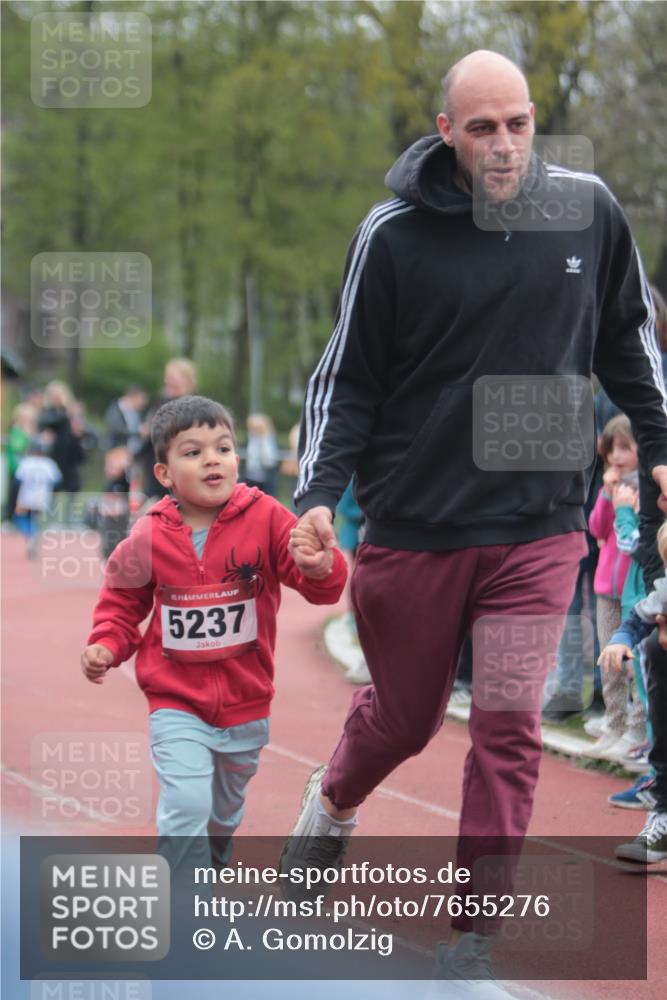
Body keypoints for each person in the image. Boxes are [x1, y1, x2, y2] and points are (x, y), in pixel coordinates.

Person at [280, 49, 667, 994]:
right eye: (482, 128)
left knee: (507, 725)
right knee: (405, 720)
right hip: (414, 526)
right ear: (445, 131)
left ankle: (474, 937)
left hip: (536, 527)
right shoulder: (393, 234)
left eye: (519, 124)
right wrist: (318, 498)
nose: (504, 146)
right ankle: (331, 803)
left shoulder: (588, 212)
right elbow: (347, 382)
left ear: (535, 122)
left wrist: (659, 460)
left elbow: (629, 344)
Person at [81, 395, 346, 873]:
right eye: (193, 452)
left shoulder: (266, 517)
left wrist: (321, 565)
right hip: (175, 700)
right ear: (164, 474)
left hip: (247, 702)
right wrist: (106, 643)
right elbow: (122, 602)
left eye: (223, 448)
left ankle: (215, 857)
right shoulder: (148, 535)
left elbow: (318, 586)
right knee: (185, 806)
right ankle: (185, 909)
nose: (212, 460)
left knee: (222, 815)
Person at [599, 519, 667, 863]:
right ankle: (663, 819)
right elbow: (636, 621)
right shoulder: (663, 595)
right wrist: (620, 642)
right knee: (664, 749)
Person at [586, 415, 647, 761]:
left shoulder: (648, 490)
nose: (616, 457)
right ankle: (615, 721)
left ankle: (638, 729)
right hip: (605, 588)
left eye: (625, 448)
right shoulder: (611, 488)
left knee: (634, 662)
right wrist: (607, 497)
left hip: (635, 594)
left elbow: (633, 540)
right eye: (611, 450)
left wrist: (626, 503)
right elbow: (595, 528)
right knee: (609, 659)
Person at [137, 359, 198, 500]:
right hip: (155, 463)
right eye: (167, 377)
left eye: (172, 377)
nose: (167, 381)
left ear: (186, 379)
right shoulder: (162, 400)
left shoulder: (194, 406)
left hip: (178, 466)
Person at [14, 435, 61, 558]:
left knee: (19, 517)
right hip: (42, 497)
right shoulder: (50, 463)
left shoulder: (26, 462)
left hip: (26, 496)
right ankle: (34, 534)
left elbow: (18, 480)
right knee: (36, 519)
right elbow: (57, 481)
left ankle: (30, 534)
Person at [243, 413, 279, 496]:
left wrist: (264, 437)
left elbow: (269, 460)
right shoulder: (250, 440)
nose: (255, 430)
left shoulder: (269, 441)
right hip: (250, 477)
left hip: (265, 479)